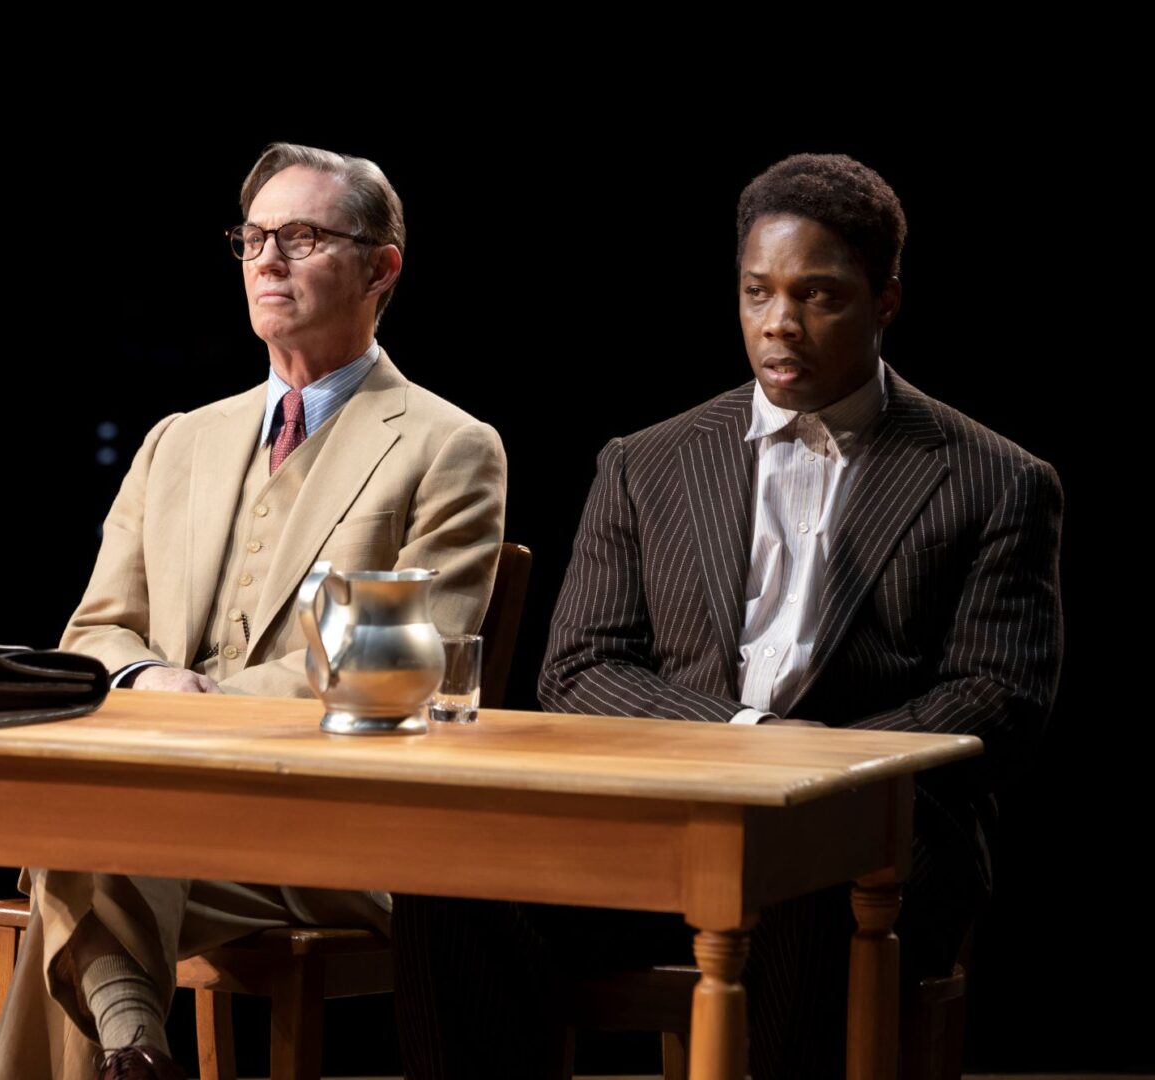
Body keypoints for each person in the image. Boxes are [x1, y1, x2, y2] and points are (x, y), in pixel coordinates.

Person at [392, 153, 1063, 1079]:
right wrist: (747, 740)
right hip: (662, 828)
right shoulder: (647, 462)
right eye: (758, 293)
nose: (779, 324)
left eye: (819, 296)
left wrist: (823, 780)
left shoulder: (997, 480)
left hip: (874, 846)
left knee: (801, 880)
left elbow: (998, 703)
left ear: (887, 301)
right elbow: (581, 667)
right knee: (453, 875)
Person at [0, 142, 507, 1080]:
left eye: (302, 237)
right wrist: (149, 675)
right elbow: (94, 633)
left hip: (336, 830)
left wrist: (199, 704)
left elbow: (398, 664)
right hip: (172, 816)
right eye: (254, 237)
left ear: (381, 267)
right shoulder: (180, 440)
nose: (267, 259)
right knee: (91, 836)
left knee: (72, 849)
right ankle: (135, 1044)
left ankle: (127, 1034)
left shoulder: (451, 446)